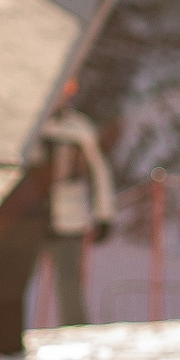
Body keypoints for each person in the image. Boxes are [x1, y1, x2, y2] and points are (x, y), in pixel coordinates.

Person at [35, 102, 116, 327]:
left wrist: (104, 213)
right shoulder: (30, 124)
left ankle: (75, 331)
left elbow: (99, 170)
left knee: (69, 281)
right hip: (30, 216)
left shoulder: (78, 128)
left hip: (69, 218)